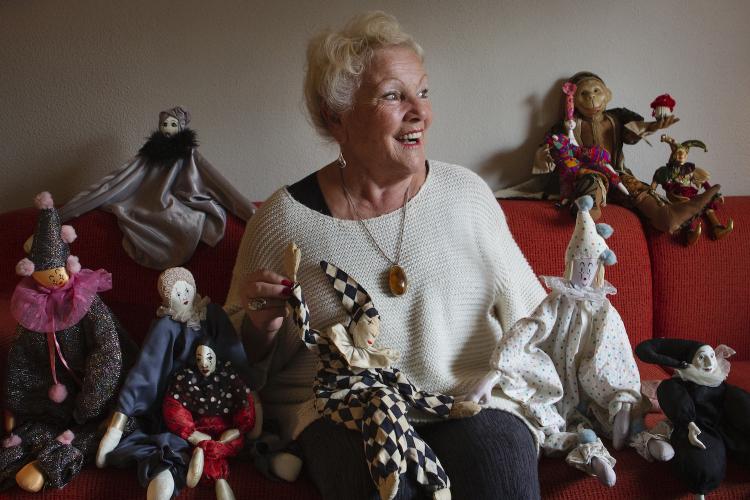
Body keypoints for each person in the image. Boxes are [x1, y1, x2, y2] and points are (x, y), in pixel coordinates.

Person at [225, 11, 547, 500]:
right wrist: (260, 326)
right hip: (343, 411)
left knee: (500, 475)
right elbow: (234, 358)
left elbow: (533, 316)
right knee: (387, 489)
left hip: (469, 399)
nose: (421, 112)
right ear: (337, 116)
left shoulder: (467, 196)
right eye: (394, 96)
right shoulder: (284, 221)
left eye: (423, 91)